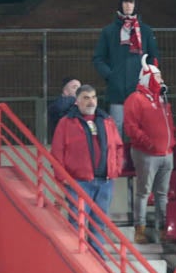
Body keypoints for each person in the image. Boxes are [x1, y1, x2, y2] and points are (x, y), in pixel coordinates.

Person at [51, 84, 124, 248]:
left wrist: (116, 169)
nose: (91, 102)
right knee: (77, 222)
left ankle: (97, 261)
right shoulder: (66, 123)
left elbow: (118, 146)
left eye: (93, 97)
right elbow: (57, 151)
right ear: (77, 101)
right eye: (86, 98)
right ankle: (78, 260)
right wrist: (62, 177)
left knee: (99, 224)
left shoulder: (107, 121)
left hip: (105, 182)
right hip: (78, 183)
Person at [123, 58, 176, 245]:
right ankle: (141, 228)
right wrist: (149, 143)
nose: (161, 79)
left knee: (162, 193)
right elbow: (131, 127)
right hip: (147, 154)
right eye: (158, 76)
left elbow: (168, 124)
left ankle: (162, 228)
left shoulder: (162, 98)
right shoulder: (135, 99)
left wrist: (175, 138)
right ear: (147, 77)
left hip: (166, 153)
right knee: (144, 192)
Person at [92, 0, 156, 132]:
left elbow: (153, 57)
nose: (128, 5)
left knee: (140, 128)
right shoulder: (109, 31)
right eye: (125, 2)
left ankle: (138, 154)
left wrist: (149, 77)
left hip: (140, 88)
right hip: (117, 90)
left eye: (131, 2)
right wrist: (111, 75)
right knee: (116, 128)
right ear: (120, 5)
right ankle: (117, 155)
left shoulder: (145, 31)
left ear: (135, 5)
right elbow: (98, 58)